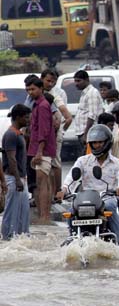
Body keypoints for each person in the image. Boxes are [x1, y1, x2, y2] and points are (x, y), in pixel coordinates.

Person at [56, 125, 119, 246]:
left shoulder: (117, 163)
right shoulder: (83, 161)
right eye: (94, 143)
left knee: (110, 206)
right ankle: (72, 236)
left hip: (107, 197)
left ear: (107, 142)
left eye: (100, 142)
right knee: (71, 209)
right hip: (86, 199)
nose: (97, 145)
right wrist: (64, 190)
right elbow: (71, 178)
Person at [26, 76, 56, 222]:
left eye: (33, 89)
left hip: (42, 150)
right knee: (43, 183)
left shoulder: (43, 105)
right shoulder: (37, 104)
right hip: (38, 148)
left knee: (42, 183)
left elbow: (43, 131)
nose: (30, 92)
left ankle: (44, 216)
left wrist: (39, 151)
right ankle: (44, 215)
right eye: (28, 90)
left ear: (41, 89)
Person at [1, 105, 31, 239]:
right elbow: (11, 159)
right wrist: (18, 179)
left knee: (23, 213)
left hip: (21, 178)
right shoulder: (11, 135)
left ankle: (21, 240)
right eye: (26, 117)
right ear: (18, 117)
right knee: (11, 212)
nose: (28, 119)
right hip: (14, 179)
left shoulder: (18, 134)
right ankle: (7, 238)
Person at [41, 69, 72, 195]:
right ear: (42, 78)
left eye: (53, 82)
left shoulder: (57, 94)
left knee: (55, 163)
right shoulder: (36, 92)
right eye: (48, 81)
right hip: (42, 132)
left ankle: (57, 192)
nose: (50, 84)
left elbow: (67, 116)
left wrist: (61, 131)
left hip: (54, 132)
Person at [73, 70, 104, 155]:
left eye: (79, 81)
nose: (76, 83)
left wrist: (86, 134)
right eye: (75, 81)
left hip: (88, 133)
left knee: (88, 159)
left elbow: (92, 115)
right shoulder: (84, 93)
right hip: (82, 132)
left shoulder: (92, 93)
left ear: (87, 80)